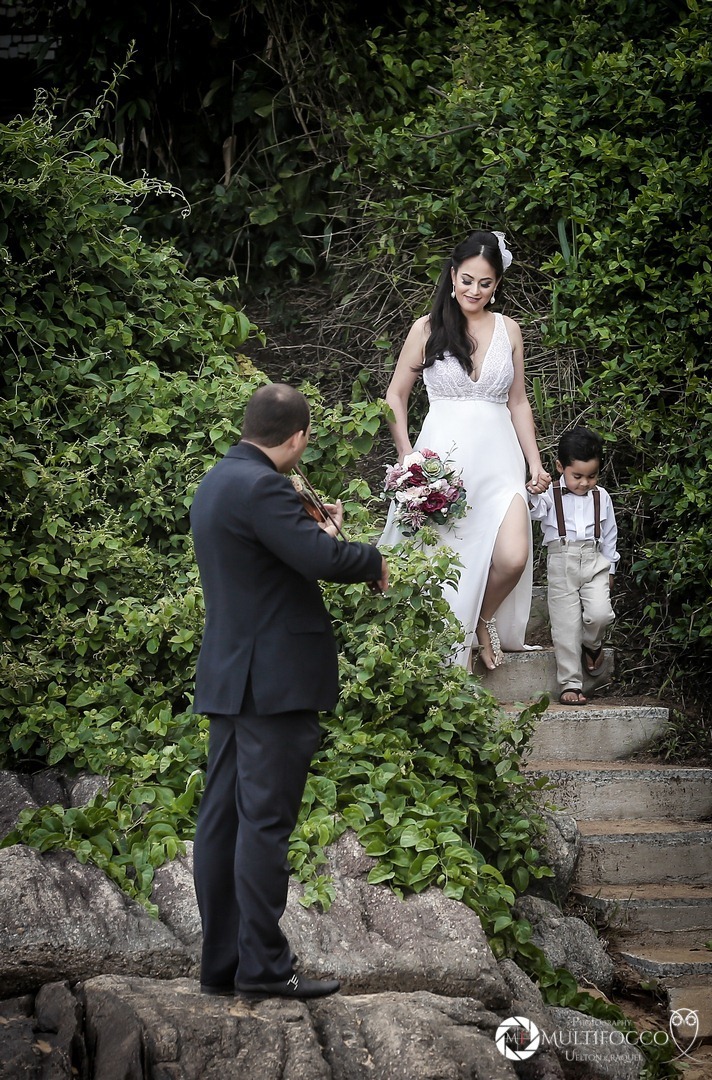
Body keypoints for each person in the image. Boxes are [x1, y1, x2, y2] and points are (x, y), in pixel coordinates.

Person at [190, 382, 388, 999]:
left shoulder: (218, 482)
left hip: (231, 677)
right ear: (298, 437)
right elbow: (321, 561)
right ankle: (264, 969)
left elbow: (277, 558)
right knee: (264, 826)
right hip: (271, 683)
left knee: (222, 822)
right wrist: (369, 557)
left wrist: (319, 533)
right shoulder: (265, 486)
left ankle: (224, 965)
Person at [378, 229, 551, 671]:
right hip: (443, 463)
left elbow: (518, 401)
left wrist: (535, 462)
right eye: (467, 279)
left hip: (500, 461)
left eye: (485, 283)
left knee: (513, 556)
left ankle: (482, 619)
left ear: (497, 285)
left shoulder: (509, 330)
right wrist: (407, 457)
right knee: (442, 555)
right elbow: (395, 396)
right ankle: (442, 642)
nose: (474, 290)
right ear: (453, 275)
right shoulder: (427, 328)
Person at [528, 426, 618, 706]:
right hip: (561, 562)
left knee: (600, 615)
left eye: (591, 476)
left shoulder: (601, 497)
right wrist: (532, 490)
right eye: (577, 475)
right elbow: (532, 511)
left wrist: (611, 567)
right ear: (560, 467)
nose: (584, 483)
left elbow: (610, 533)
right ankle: (571, 682)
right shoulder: (549, 495)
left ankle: (592, 645)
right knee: (566, 626)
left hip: (594, 561)